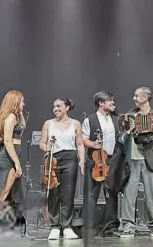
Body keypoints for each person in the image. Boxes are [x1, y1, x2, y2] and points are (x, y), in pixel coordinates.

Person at [119, 87, 153, 238]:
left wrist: (137, 131)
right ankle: (128, 226)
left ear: (145, 98)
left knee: (151, 194)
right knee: (129, 194)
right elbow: (122, 136)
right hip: (132, 159)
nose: (134, 98)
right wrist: (126, 132)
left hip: (148, 158)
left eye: (136, 96)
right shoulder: (130, 115)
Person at [41, 98, 85, 240]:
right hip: (53, 158)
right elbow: (42, 143)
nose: (55, 109)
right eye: (54, 106)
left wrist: (82, 160)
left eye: (59, 106)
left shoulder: (75, 123)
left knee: (68, 193)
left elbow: (79, 144)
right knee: (53, 192)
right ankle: (55, 226)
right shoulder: (48, 124)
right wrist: (47, 147)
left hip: (70, 158)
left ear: (67, 107)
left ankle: (66, 226)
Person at [82, 91, 119, 237]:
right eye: (110, 101)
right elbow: (83, 139)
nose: (112, 104)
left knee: (111, 194)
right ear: (101, 103)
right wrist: (92, 144)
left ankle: (110, 227)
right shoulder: (89, 120)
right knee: (91, 194)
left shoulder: (115, 119)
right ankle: (89, 227)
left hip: (112, 160)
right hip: (95, 160)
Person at [0, 90, 27, 234]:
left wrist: (20, 112)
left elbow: (23, 126)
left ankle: (9, 223)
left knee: (13, 193)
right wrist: (17, 163)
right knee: (3, 192)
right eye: (21, 101)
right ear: (15, 101)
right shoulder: (10, 117)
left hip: (12, 157)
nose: (24, 103)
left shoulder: (14, 116)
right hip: (9, 159)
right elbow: (7, 141)